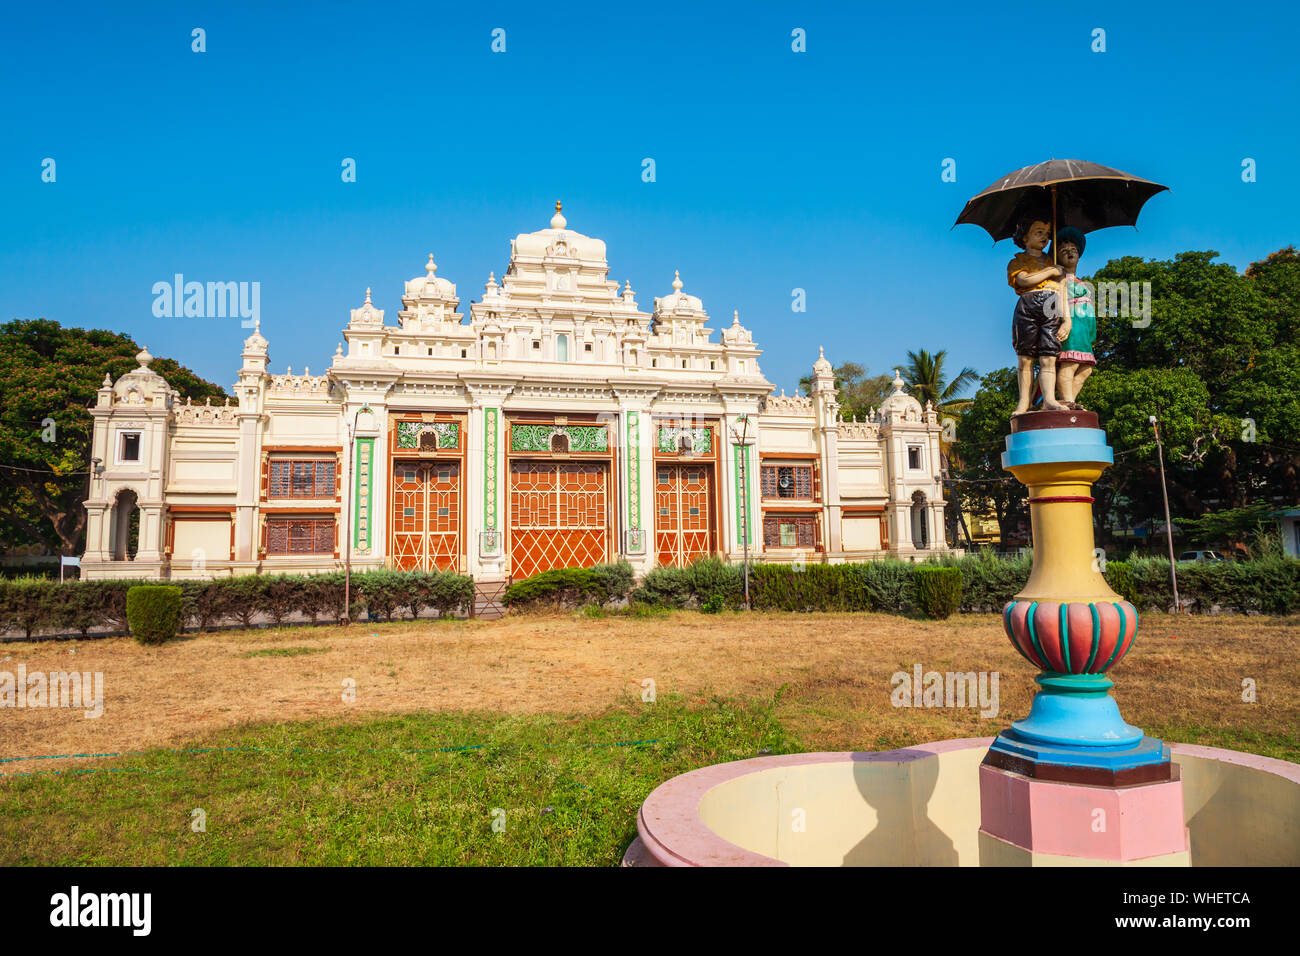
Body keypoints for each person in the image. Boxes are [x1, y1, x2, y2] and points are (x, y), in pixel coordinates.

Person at [1007, 218, 1066, 414]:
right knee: (1025, 358)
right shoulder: (1018, 261)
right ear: (1025, 237)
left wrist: (1067, 318)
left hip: (1051, 304)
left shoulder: (1054, 261)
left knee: (1048, 355)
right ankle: (1024, 402)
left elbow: (1063, 288)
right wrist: (1050, 271)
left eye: (1047, 234)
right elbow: (1024, 280)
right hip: (1028, 305)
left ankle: (1048, 398)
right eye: (1039, 232)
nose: (1044, 237)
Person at [1051, 226, 1096, 409]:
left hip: (1084, 331)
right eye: (1064, 250)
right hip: (1070, 326)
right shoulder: (1058, 278)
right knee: (1069, 364)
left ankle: (1069, 400)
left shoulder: (1081, 282)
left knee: (1086, 369)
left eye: (1073, 250)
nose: (1069, 253)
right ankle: (1068, 401)